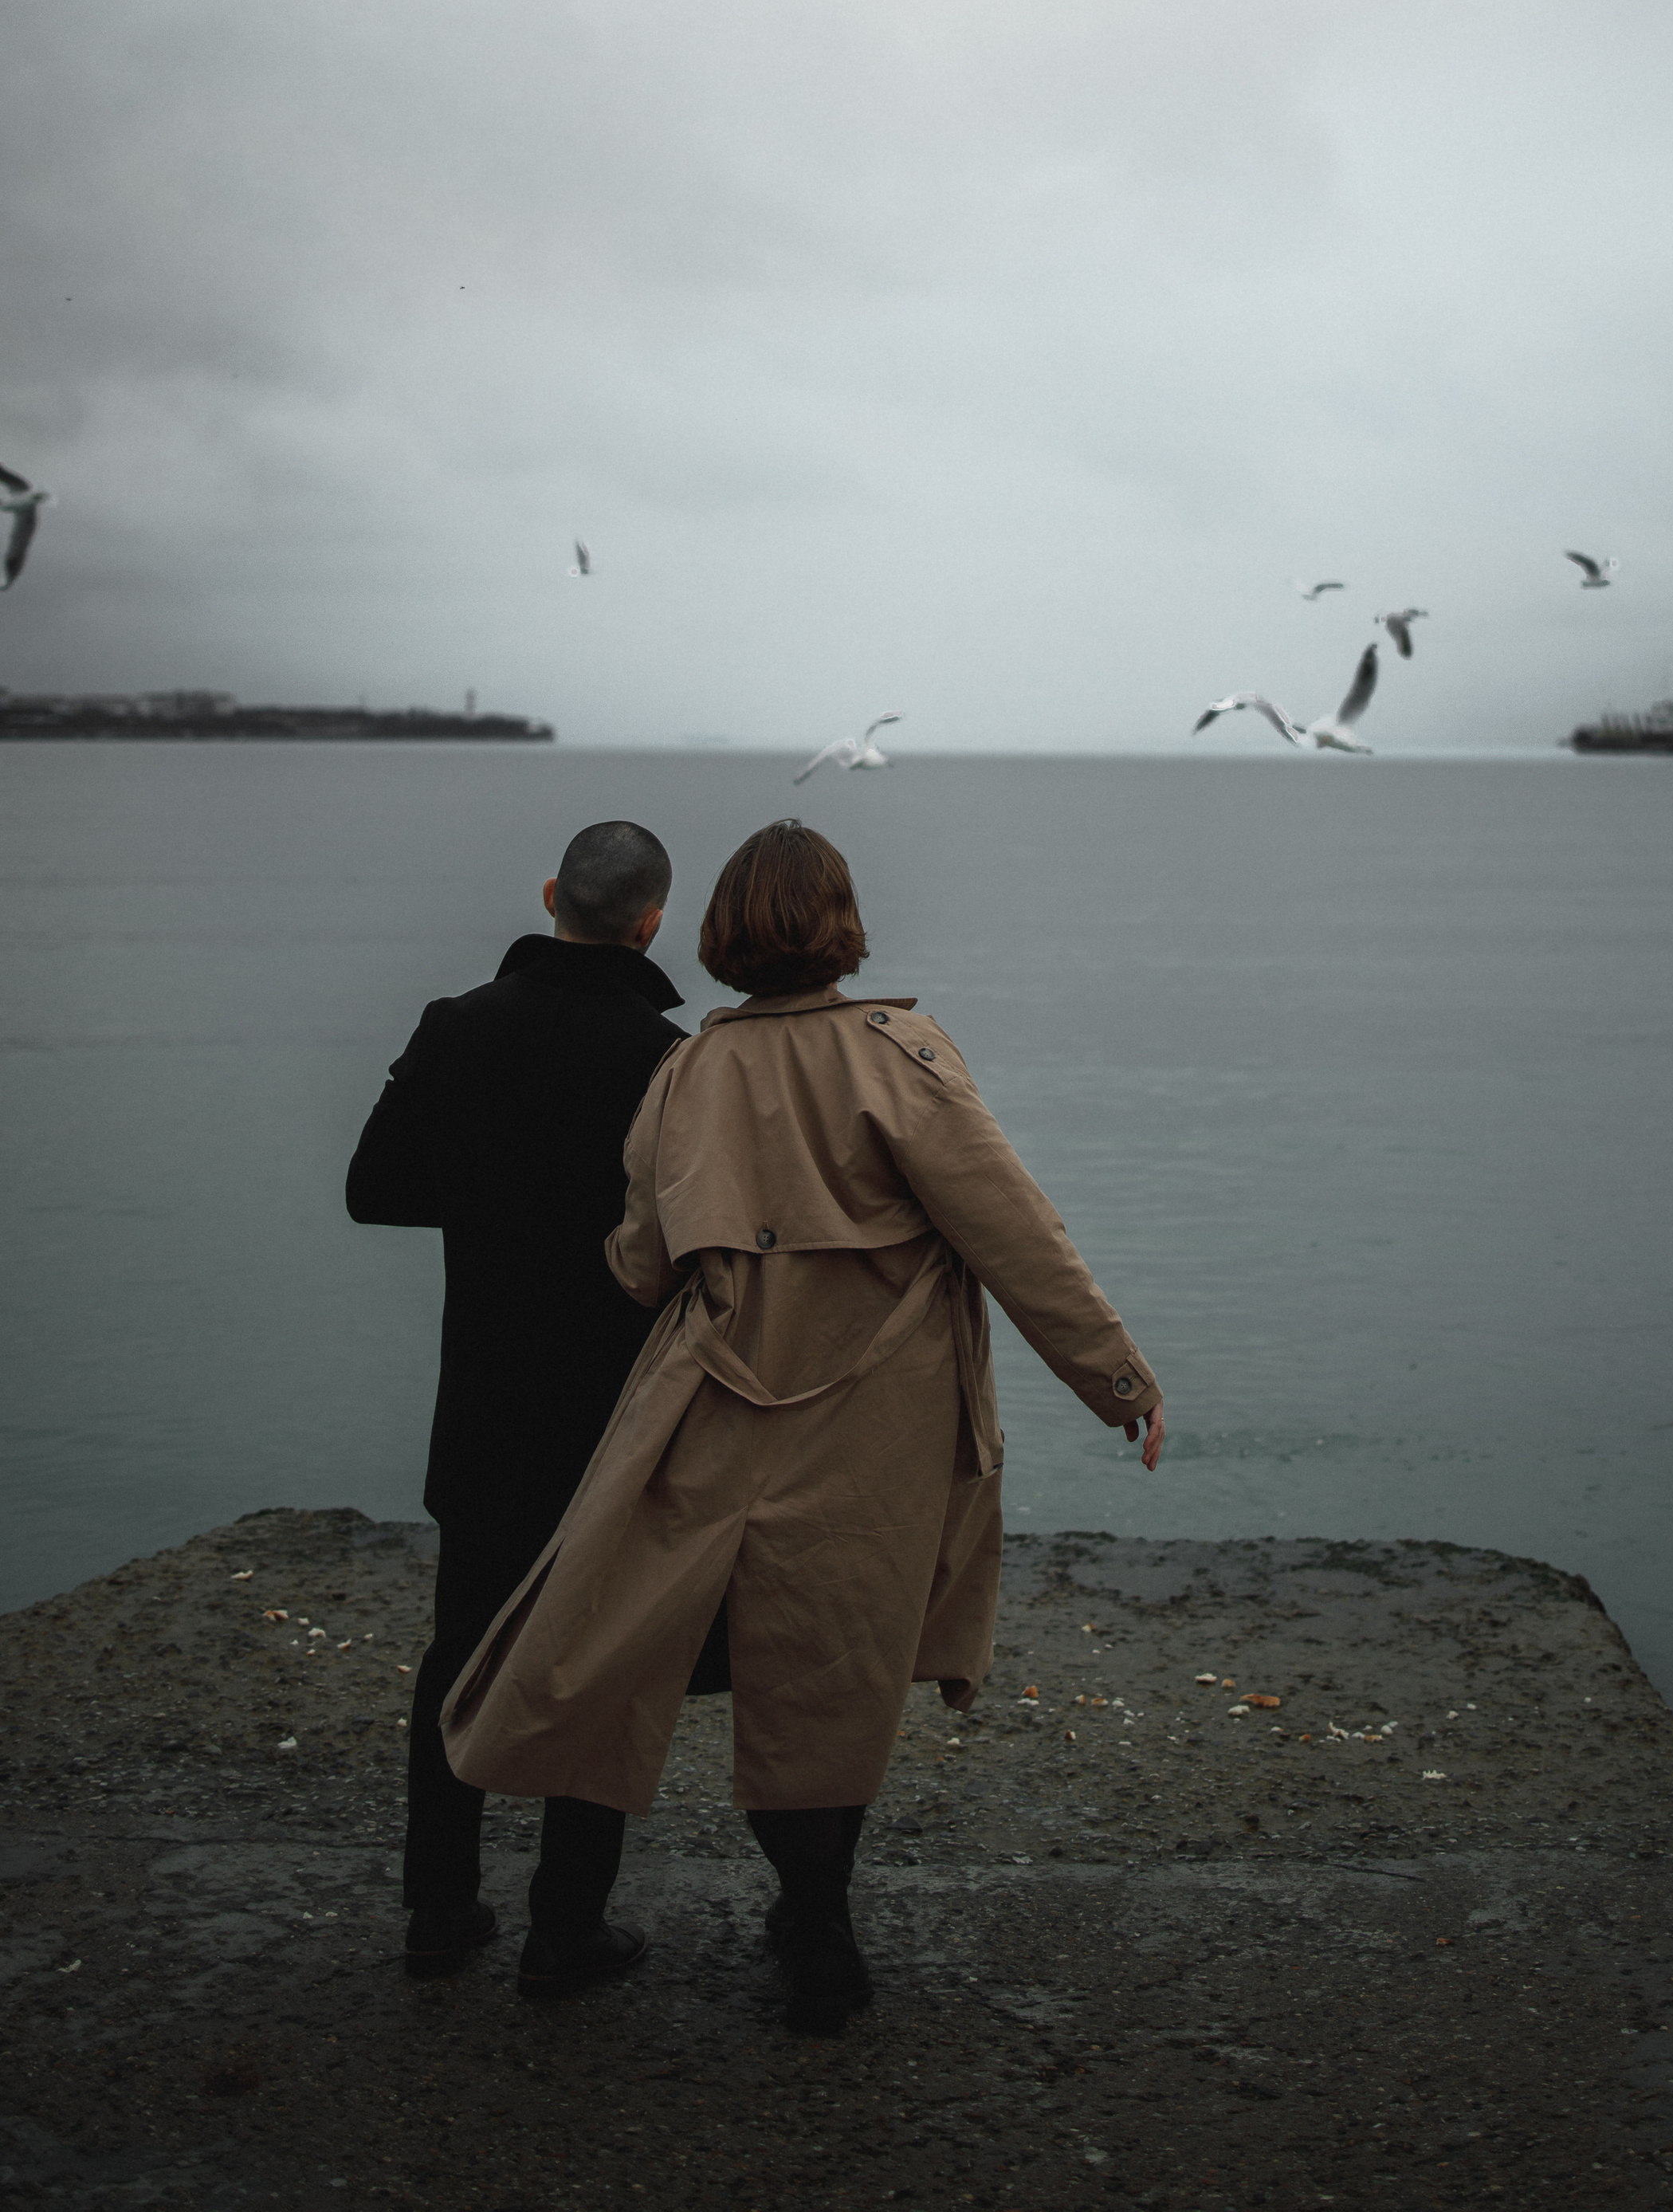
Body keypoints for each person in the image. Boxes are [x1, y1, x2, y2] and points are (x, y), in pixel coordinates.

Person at [441, 817, 1164, 2033]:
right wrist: (1120, 1384)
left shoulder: (691, 1070)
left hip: (717, 1399)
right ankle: (818, 1932)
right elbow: (1015, 1235)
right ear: (841, 926)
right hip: (876, 1414)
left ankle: (650, 1917)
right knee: (835, 1663)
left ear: (720, 934)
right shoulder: (903, 1052)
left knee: (639, 1635)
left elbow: (637, 1260)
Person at [346, 817, 685, 1990]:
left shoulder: (457, 1027)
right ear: (651, 922)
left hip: (484, 1403)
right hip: (616, 1417)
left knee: (459, 1653)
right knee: (596, 1664)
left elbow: (374, 1189)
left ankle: (440, 1911)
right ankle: (564, 1927)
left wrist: (493, 1204)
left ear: (551, 896)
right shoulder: (667, 1057)